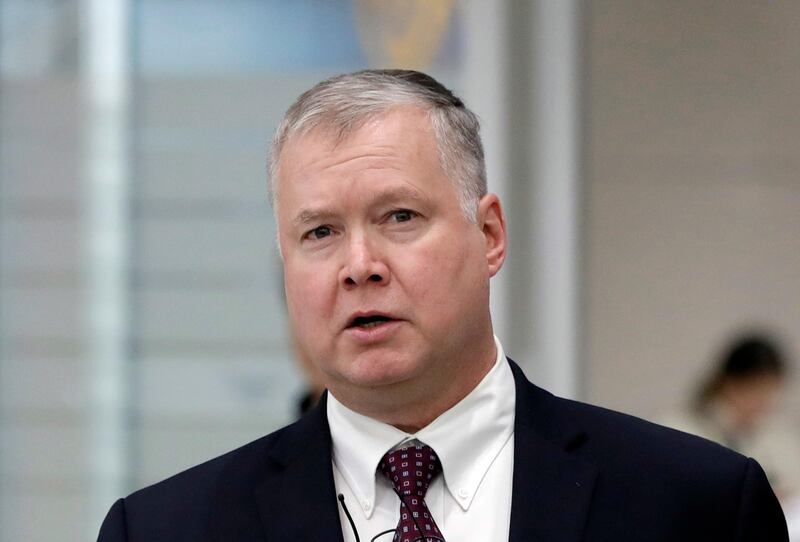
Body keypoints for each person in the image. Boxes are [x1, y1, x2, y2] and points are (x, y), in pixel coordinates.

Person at [97, 69, 788, 541]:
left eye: (399, 216)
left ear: (489, 234)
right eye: (319, 233)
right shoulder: (163, 529)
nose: (359, 266)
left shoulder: (695, 506)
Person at [662, 334, 800, 505]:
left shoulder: (772, 431)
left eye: (770, 393)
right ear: (730, 383)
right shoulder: (679, 426)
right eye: (756, 390)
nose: (764, 403)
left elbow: (791, 480)